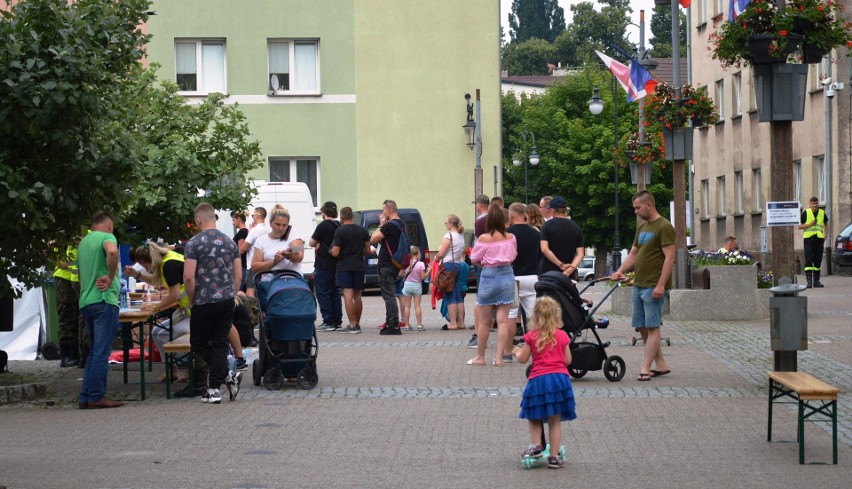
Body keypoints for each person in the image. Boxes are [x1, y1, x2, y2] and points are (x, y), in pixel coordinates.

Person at [611, 190, 674, 382]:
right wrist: (620, 270)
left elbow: (669, 259)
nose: (636, 211)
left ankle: (646, 368)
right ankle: (661, 364)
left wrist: (661, 285)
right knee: (641, 325)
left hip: (653, 285)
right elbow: (633, 254)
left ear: (649, 205)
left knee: (653, 326)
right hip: (639, 284)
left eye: (638, 207)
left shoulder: (664, 227)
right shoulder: (642, 227)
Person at [183, 203, 242, 404]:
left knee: (198, 342)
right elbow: (239, 275)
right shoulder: (230, 242)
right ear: (214, 218)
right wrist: (231, 293)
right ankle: (220, 381)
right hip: (226, 299)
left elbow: (189, 277)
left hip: (203, 299)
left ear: (199, 219)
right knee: (220, 342)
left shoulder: (193, 244)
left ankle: (216, 387)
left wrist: (191, 300)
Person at [512, 296, 576, 468]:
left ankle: (537, 445)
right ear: (556, 316)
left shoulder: (531, 336)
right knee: (555, 421)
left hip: (539, 380)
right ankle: (554, 457)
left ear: (535, 316)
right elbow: (568, 360)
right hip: (559, 380)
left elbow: (523, 359)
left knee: (534, 416)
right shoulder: (562, 336)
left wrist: (516, 351)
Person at [124, 241, 192, 382]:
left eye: (145, 266)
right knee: (156, 333)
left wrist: (154, 308)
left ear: (150, 260)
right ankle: (171, 370)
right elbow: (156, 281)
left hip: (193, 314)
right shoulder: (168, 259)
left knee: (163, 335)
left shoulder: (169, 265)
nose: (147, 270)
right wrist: (137, 274)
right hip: (187, 311)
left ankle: (189, 368)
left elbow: (173, 296)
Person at [77, 210, 123, 409]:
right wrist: (111, 277)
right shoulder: (107, 237)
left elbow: (80, 273)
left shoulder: (83, 243)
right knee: (102, 352)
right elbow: (112, 251)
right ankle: (97, 396)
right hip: (104, 299)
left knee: (93, 352)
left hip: (86, 300)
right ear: (109, 225)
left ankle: (86, 396)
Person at [467, 205, 517, 366]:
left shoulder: (483, 239)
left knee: (484, 322)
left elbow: (474, 258)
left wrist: (484, 262)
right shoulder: (511, 237)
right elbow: (513, 256)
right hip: (507, 276)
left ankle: (480, 357)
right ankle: (499, 358)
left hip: (489, 276)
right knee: (503, 320)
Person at [329, 207, 371, 334]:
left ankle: (352, 325)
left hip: (344, 266)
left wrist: (330, 250)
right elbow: (368, 251)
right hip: (359, 265)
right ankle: (357, 324)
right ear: (352, 216)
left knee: (347, 295)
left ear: (341, 217)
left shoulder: (340, 231)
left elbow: (336, 252)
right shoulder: (363, 230)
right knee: (358, 296)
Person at [507, 202, 541, 359]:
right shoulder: (535, 233)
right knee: (533, 315)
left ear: (512, 216)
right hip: (532, 277)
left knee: (511, 315)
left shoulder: (508, 233)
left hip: (513, 277)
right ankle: (537, 349)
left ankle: (507, 351)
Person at [370, 200, 405, 335]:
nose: (382, 213)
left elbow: (373, 239)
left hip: (386, 264)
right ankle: (390, 323)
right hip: (395, 263)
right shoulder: (401, 224)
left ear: (389, 210)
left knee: (388, 295)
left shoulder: (390, 225)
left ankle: (393, 325)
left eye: (383, 210)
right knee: (389, 294)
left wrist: (381, 224)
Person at [310, 201, 343, 330]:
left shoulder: (323, 226)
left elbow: (312, 242)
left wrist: (317, 243)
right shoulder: (339, 225)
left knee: (323, 292)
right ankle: (337, 320)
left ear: (323, 212)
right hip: (337, 264)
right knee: (335, 293)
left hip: (323, 263)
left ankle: (328, 320)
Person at [52, 240, 85, 368]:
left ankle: (76, 354)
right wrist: (76, 265)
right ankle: (66, 356)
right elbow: (61, 263)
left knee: (79, 316)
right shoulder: (64, 235)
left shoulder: (88, 233)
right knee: (66, 316)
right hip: (64, 279)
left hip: (78, 278)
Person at [251, 204, 305, 277]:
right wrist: (274, 262)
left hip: (292, 281)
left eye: (284, 225)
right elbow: (254, 267)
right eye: (277, 224)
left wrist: (289, 255)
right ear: (270, 223)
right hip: (269, 283)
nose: (281, 228)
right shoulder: (261, 240)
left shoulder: (292, 232)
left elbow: (299, 254)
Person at [435, 213, 466, 330]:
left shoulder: (449, 235)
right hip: (458, 265)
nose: (445, 224)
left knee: (449, 294)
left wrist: (437, 258)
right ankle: (461, 322)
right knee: (458, 295)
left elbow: (442, 253)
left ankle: (453, 323)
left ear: (452, 223)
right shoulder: (460, 236)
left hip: (448, 266)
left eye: (446, 222)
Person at [540, 196, 584, 279]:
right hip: (569, 276)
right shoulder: (576, 228)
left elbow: (544, 249)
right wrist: (569, 270)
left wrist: (561, 265)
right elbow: (580, 254)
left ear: (553, 210)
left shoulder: (546, 226)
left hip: (549, 273)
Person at [798, 196, 829, 288]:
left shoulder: (822, 213)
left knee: (818, 260)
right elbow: (800, 226)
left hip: (819, 240)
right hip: (808, 240)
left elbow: (826, 225)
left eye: (816, 203)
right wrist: (810, 224)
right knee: (808, 259)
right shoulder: (806, 213)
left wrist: (825, 236)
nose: (815, 205)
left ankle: (816, 281)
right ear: (810, 204)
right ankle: (809, 282)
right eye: (813, 203)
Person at [240, 207, 268, 297]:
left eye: (252, 215)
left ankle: (253, 310)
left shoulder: (254, 230)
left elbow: (244, 248)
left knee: (250, 291)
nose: (252, 218)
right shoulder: (269, 229)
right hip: (266, 265)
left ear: (257, 216)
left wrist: (250, 232)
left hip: (253, 265)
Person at [401, 246, 428, 331]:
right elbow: (423, 277)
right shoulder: (421, 264)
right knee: (417, 306)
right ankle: (419, 325)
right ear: (418, 254)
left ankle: (407, 325)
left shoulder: (406, 263)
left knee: (407, 306)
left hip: (407, 285)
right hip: (417, 286)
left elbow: (401, 274)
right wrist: (429, 271)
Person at [231, 211, 249, 292]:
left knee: (238, 291)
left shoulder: (242, 232)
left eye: (233, 220)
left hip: (242, 265)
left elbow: (240, 250)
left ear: (239, 219)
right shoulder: (245, 231)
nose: (232, 223)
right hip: (242, 265)